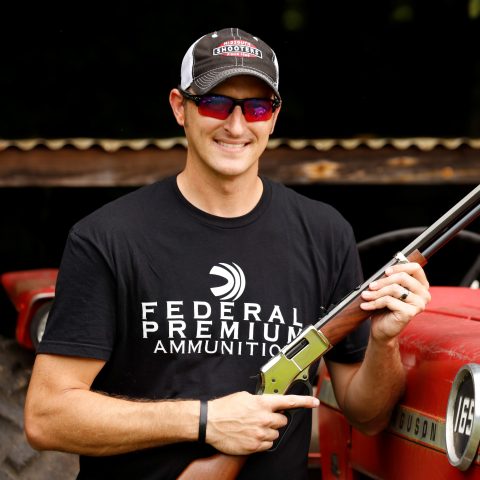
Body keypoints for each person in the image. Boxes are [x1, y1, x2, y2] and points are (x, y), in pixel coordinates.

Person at [24, 27, 431, 480]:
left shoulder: (325, 234)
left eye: (257, 107)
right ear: (180, 108)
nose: (237, 126)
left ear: (274, 117)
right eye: (216, 104)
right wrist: (206, 422)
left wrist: (385, 339)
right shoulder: (108, 237)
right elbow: (47, 417)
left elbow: (367, 414)